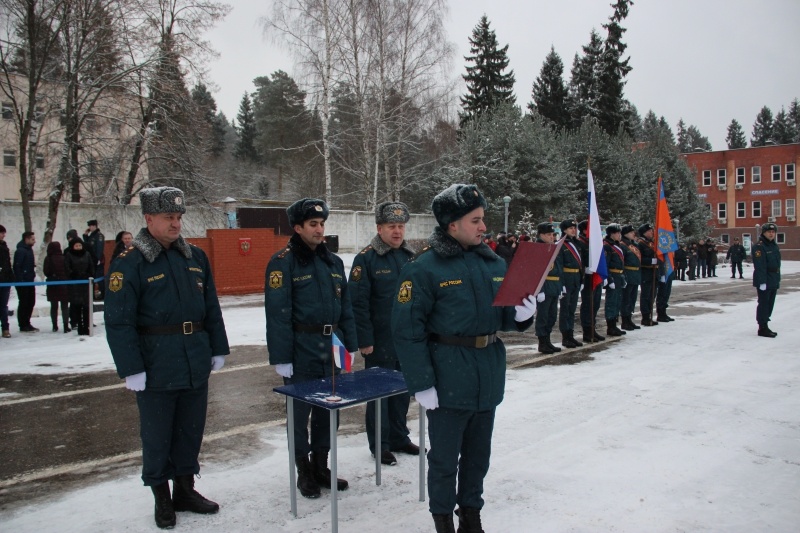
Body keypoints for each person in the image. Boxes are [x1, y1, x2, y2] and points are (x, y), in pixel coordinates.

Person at [392, 183, 535, 533]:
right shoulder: (424, 268)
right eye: (476, 220)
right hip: (448, 375)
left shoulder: (493, 263)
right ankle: (443, 521)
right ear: (452, 225)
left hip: (486, 372)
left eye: (483, 219)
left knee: (477, 457)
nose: (484, 227)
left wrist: (521, 316)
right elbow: (407, 331)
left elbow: (501, 317)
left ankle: (471, 516)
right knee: (443, 460)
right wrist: (422, 383)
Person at [105, 187, 229, 529]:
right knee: (158, 434)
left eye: (178, 217)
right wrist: (131, 369)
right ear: (149, 219)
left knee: (190, 430)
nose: (176, 224)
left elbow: (211, 308)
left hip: (194, 359)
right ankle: (162, 497)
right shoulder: (129, 263)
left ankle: (185, 490)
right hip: (156, 362)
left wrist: (217, 347)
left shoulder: (194, 258)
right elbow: (118, 321)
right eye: (168, 218)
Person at [265, 198, 358, 500]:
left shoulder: (333, 262)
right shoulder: (283, 263)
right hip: (301, 348)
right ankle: (304, 471)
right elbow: (278, 314)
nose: (320, 229)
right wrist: (282, 358)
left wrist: (350, 346)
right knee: (300, 414)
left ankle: (322, 465)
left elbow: (346, 309)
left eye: (321, 224)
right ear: (297, 227)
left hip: (331, 347)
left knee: (328, 412)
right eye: (313, 225)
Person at [348, 201, 419, 466]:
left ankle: (400, 437)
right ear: (379, 228)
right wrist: (364, 340)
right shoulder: (366, 259)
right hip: (379, 341)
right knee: (379, 395)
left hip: (406, 340)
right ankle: (380, 444)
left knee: (402, 391)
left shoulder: (410, 257)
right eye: (392, 226)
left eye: (401, 226)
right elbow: (358, 303)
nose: (398, 231)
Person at [534, 222, 563, 354]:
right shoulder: (538, 248)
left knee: (551, 315)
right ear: (541, 235)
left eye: (553, 234)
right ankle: (542, 342)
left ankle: (548, 340)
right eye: (549, 234)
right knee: (543, 316)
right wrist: (539, 290)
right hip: (544, 286)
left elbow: (558, 269)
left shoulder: (552, 248)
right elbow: (535, 272)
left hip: (554, 286)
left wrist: (561, 286)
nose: (552, 237)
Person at [557, 219, 583, 348]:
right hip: (566, 278)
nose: (573, 230)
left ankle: (571, 335)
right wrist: (561, 283)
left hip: (575, 278)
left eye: (574, 227)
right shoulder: (561, 244)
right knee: (565, 309)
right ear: (564, 230)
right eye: (570, 228)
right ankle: (565, 336)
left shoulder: (577, 244)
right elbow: (559, 265)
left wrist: (581, 279)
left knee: (572, 309)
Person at [752, 222, 781, 338]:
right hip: (765, 279)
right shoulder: (759, 246)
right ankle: (762, 327)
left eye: (773, 232)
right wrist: (762, 282)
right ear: (764, 233)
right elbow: (760, 265)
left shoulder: (773, 245)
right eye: (769, 232)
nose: (771, 234)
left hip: (773, 278)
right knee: (763, 304)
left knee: (770, 304)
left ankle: (766, 324)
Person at [577, 220, 604, 343]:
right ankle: (587, 331)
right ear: (584, 230)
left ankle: (592, 329)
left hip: (595, 276)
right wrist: (584, 269)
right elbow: (579, 260)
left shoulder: (594, 243)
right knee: (588, 304)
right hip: (587, 278)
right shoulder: (581, 243)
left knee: (595, 304)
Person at [64, 239, 94, 335]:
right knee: (77, 306)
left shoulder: (87, 254)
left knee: (86, 307)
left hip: (86, 284)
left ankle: (87, 326)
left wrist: (89, 275)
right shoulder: (69, 255)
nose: (78, 248)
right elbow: (67, 268)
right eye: (76, 246)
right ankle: (79, 326)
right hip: (75, 285)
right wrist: (74, 274)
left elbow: (91, 266)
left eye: (80, 246)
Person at [602, 224, 626, 337]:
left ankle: (614, 325)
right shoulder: (607, 246)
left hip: (618, 276)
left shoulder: (616, 245)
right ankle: (610, 326)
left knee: (617, 301)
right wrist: (609, 278)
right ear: (611, 234)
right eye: (617, 233)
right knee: (611, 302)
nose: (619, 235)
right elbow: (606, 264)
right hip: (612, 275)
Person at [13, 231, 38, 333]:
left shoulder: (29, 250)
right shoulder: (21, 251)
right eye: (32, 239)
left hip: (29, 280)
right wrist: (21, 280)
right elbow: (17, 267)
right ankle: (23, 324)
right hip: (23, 282)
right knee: (24, 302)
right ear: (26, 239)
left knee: (30, 302)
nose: (34, 241)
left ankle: (27, 322)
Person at [43, 242, 70, 333]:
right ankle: (66, 326)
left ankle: (54, 325)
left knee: (54, 306)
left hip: (52, 284)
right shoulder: (64, 258)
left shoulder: (48, 258)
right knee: (64, 306)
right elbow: (68, 270)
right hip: (64, 284)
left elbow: (46, 271)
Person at [619, 225, 642, 332]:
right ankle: (625, 320)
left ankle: (629, 318)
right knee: (626, 298)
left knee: (632, 298)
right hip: (628, 273)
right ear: (625, 234)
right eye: (631, 232)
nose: (634, 234)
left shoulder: (633, 244)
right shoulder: (623, 245)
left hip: (635, 274)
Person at [637, 224, 660, 327]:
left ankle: (650, 314)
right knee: (646, 296)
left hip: (654, 272)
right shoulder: (640, 244)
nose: (652, 233)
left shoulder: (652, 243)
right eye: (650, 231)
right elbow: (639, 259)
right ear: (644, 232)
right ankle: (645, 317)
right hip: (646, 272)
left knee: (652, 295)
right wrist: (651, 260)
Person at [84, 219, 105, 300]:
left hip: (97, 260)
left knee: (99, 277)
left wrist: (98, 259)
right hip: (91, 259)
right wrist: (85, 236)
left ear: (96, 226)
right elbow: (87, 246)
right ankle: (92, 294)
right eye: (90, 226)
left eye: (92, 226)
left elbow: (99, 248)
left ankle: (103, 294)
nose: (91, 227)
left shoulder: (99, 236)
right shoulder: (91, 236)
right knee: (92, 277)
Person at [0, 224, 12, 338]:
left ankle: (5, 328)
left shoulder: (4, 246)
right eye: (2, 233)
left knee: (3, 306)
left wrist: (10, 276)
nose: (4, 235)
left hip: (5, 281)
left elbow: (7, 264)